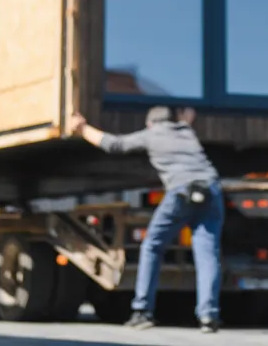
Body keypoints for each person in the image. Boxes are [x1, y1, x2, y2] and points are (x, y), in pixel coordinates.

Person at [68, 106, 224, 333]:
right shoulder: (186, 131)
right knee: (207, 255)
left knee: (152, 247)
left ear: (150, 124)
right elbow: (187, 118)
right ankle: (208, 316)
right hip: (210, 189)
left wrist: (82, 129)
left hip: (181, 190)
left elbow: (114, 144)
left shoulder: (152, 134)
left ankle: (142, 311)